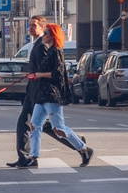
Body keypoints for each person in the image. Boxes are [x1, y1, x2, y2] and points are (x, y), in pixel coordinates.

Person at [17, 22, 92, 169]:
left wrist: (38, 75)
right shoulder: (49, 50)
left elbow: (58, 74)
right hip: (42, 94)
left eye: (46, 33)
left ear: (53, 36)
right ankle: (33, 157)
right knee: (34, 125)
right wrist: (34, 76)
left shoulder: (56, 52)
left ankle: (83, 149)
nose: (43, 36)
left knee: (58, 128)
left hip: (52, 95)